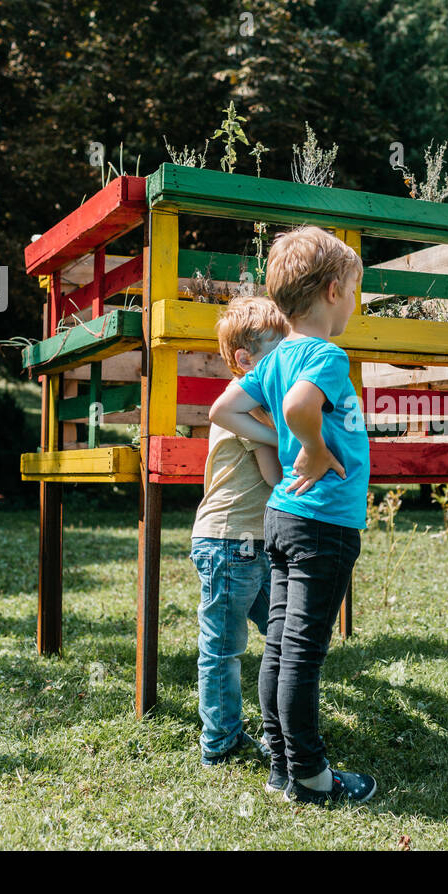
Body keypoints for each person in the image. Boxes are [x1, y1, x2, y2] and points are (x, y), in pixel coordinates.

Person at [209, 225, 376, 805]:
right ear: (334, 290)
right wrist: (309, 445)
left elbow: (224, 407)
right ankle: (310, 776)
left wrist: (282, 435)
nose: (354, 302)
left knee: (279, 644)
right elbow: (300, 404)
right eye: (355, 290)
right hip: (322, 521)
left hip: (283, 519)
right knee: (302, 649)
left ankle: (281, 764)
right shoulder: (326, 354)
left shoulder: (277, 357)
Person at [189, 296, 288, 767]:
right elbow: (274, 476)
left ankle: (276, 729)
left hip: (252, 543)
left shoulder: (257, 407)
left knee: (285, 631)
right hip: (230, 542)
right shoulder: (250, 411)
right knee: (223, 648)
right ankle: (220, 741)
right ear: (246, 361)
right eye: (277, 352)